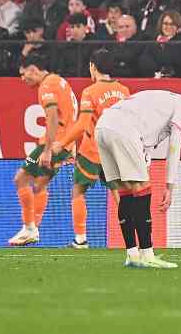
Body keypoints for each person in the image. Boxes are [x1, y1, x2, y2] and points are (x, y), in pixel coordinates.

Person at [95, 90, 181, 269]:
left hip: (103, 127)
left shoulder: (162, 107)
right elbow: (175, 146)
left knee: (126, 191)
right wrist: (169, 186)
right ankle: (148, 254)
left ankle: (133, 255)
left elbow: (146, 146)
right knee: (143, 189)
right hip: (123, 129)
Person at [55, 49, 131, 248]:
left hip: (92, 151)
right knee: (120, 195)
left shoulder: (90, 92)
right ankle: (134, 241)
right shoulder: (124, 91)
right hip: (115, 152)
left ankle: (81, 240)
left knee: (78, 191)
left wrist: (61, 143)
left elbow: (82, 125)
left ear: (93, 67)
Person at [8, 54, 77, 246]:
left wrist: (47, 150)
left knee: (20, 179)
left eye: (24, 74)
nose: (23, 79)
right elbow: (72, 113)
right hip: (65, 143)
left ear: (33, 69)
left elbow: (53, 117)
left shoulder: (46, 85)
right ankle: (31, 230)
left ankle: (29, 228)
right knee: (39, 185)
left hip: (55, 143)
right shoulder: (61, 81)